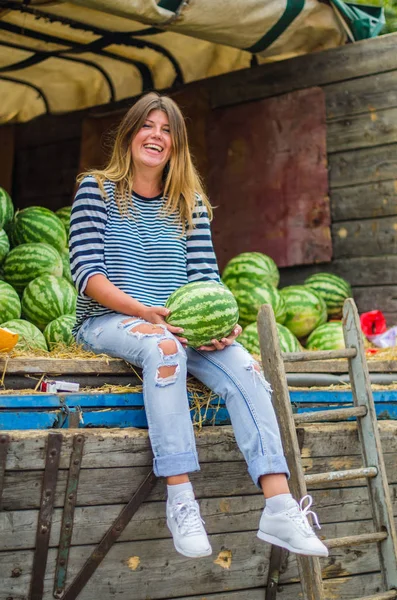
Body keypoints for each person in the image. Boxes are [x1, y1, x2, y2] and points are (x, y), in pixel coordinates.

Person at [69, 91, 328, 560]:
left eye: (167, 130)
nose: (156, 136)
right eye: (148, 126)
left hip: (179, 323)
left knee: (247, 369)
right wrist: (143, 312)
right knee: (164, 351)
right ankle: (181, 498)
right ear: (129, 134)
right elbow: (87, 275)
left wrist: (226, 326)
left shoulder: (192, 202)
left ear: (177, 144)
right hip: (110, 320)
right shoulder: (97, 189)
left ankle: (279, 505)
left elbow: (207, 278)